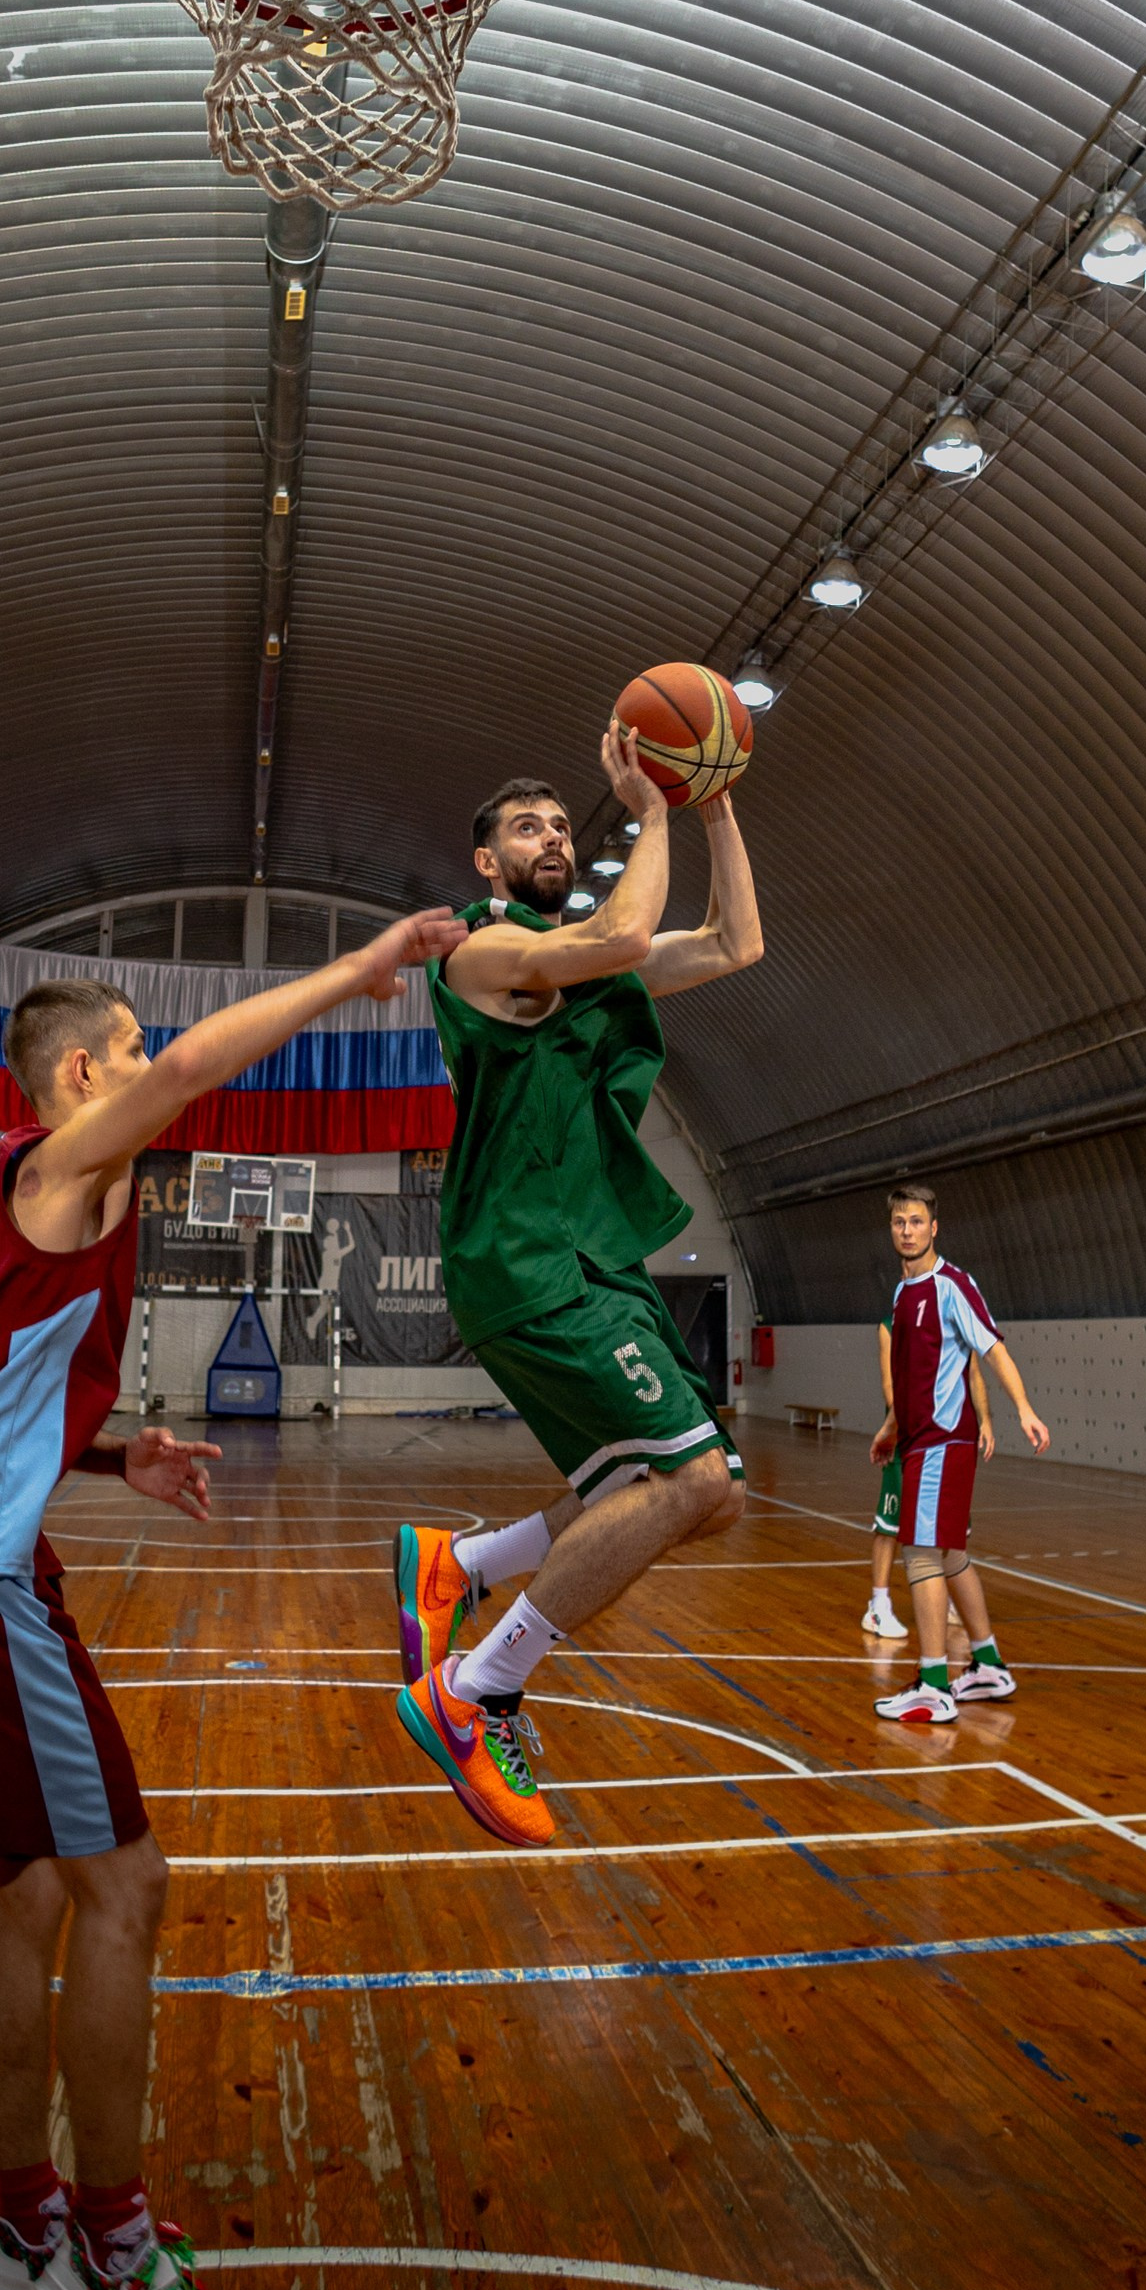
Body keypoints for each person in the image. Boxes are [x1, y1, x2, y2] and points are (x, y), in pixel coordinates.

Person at [0, 909, 462, 2290]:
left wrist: (120, 1459)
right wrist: (362, 978)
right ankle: (113, 2254)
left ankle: (27, 2226)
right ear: (72, 1086)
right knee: (128, 1886)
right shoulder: (65, 1166)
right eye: (124, 1057)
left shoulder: (33, 1203)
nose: (149, 1077)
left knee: (36, 1894)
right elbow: (188, 1072)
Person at [391, 734, 763, 1846]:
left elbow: (738, 943)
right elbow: (627, 930)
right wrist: (649, 807)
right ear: (489, 866)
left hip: (594, 1263)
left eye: (562, 823)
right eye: (528, 829)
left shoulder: (586, 959)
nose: (553, 836)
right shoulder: (483, 953)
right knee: (689, 1478)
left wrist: (715, 804)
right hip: (525, 1259)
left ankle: (467, 1563)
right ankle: (475, 1689)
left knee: (721, 1495)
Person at [869, 1182, 1049, 1725]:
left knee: (920, 1552)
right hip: (919, 1438)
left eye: (917, 1221)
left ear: (934, 1227)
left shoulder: (953, 1286)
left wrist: (1022, 1408)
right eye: (900, 1222)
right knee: (949, 1555)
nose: (908, 1230)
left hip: (944, 1442)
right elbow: (909, 1378)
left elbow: (992, 1349)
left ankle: (932, 1684)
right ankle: (988, 1664)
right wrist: (890, 1427)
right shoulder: (902, 1296)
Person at [864, 1349, 993, 1644]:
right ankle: (878, 1606)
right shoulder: (893, 1323)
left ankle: (945, 1602)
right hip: (911, 1437)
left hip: (948, 1440)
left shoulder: (957, 1317)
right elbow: (892, 1385)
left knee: (949, 1526)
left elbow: (974, 1373)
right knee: (891, 1523)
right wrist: (894, 1427)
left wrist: (985, 1420)